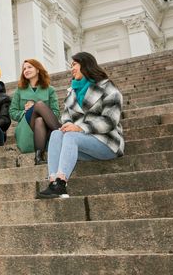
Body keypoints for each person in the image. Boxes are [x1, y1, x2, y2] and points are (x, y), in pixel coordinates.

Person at [37, 52, 124, 199]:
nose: (71, 69)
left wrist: (81, 127)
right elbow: (66, 117)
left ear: (85, 64)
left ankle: (61, 183)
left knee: (71, 136)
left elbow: (110, 120)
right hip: (82, 143)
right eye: (71, 66)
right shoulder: (72, 92)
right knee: (56, 133)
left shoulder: (108, 87)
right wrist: (68, 124)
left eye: (74, 65)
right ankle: (53, 182)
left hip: (107, 142)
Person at [9, 59, 60, 164]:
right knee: (40, 104)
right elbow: (12, 112)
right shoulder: (19, 90)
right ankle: (61, 131)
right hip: (26, 126)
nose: (26, 70)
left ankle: (38, 156)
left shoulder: (50, 90)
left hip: (45, 126)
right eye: (24, 69)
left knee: (40, 119)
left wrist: (41, 112)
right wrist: (26, 110)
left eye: (29, 67)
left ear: (38, 69)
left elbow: (56, 112)